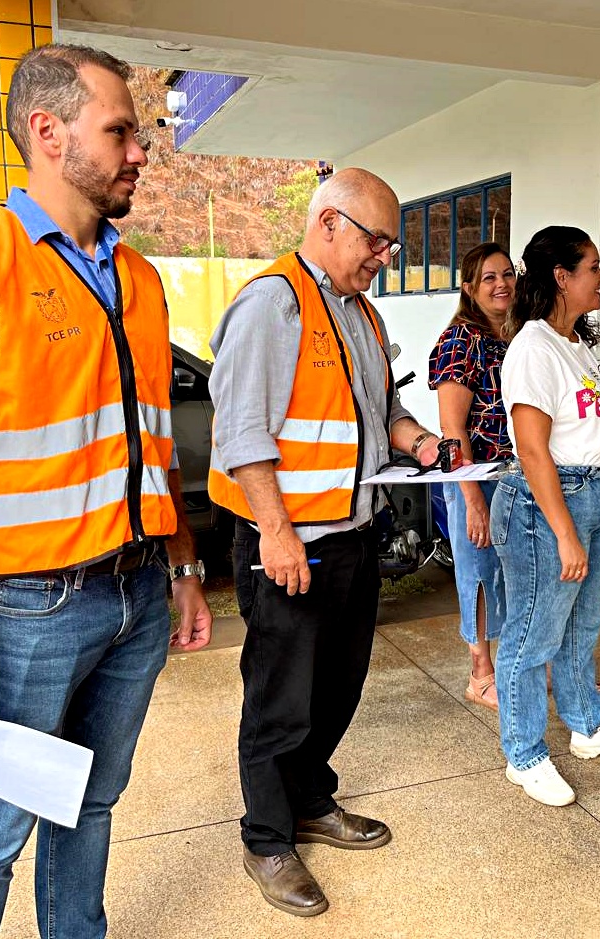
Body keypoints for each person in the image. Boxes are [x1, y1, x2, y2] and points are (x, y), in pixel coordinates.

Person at [0, 44, 212, 938]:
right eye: (121, 131)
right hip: (25, 606)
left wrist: (181, 568)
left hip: (136, 590)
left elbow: (154, 445)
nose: (141, 151)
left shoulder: (139, 281)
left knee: (92, 803)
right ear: (47, 131)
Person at [208, 167, 443, 917]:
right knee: (280, 696)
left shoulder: (362, 316)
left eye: (391, 245)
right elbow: (242, 429)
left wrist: (422, 441)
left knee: (338, 683)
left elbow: (384, 410)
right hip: (287, 540)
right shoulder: (272, 303)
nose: (385, 256)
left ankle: (311, 798)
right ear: (329, 222)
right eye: (377, 240)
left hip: (351, 533)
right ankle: (268, 838)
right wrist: (275, 532)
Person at [491, 225, 600, 808]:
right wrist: (564, 531)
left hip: (588, 492)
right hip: (545, 504)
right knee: (532, 634)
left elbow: (590, 433)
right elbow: (533, 449)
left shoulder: (576, 345)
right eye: (593, 267)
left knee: (583, 624)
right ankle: (525, 754)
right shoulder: (533, 347)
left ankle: (587, 724)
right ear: (562, 276)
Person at [428, 242, 514, 711]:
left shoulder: (518, 336)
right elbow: (451, 430)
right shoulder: (460, 340)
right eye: (488, 277)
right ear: (469, 287)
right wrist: (473, 499)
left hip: (518, 477)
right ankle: (480, 673)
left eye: (507, 274)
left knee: (519, 573)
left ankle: (519, 663)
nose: (501, 284)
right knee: (479, 574)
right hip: (475, 478)